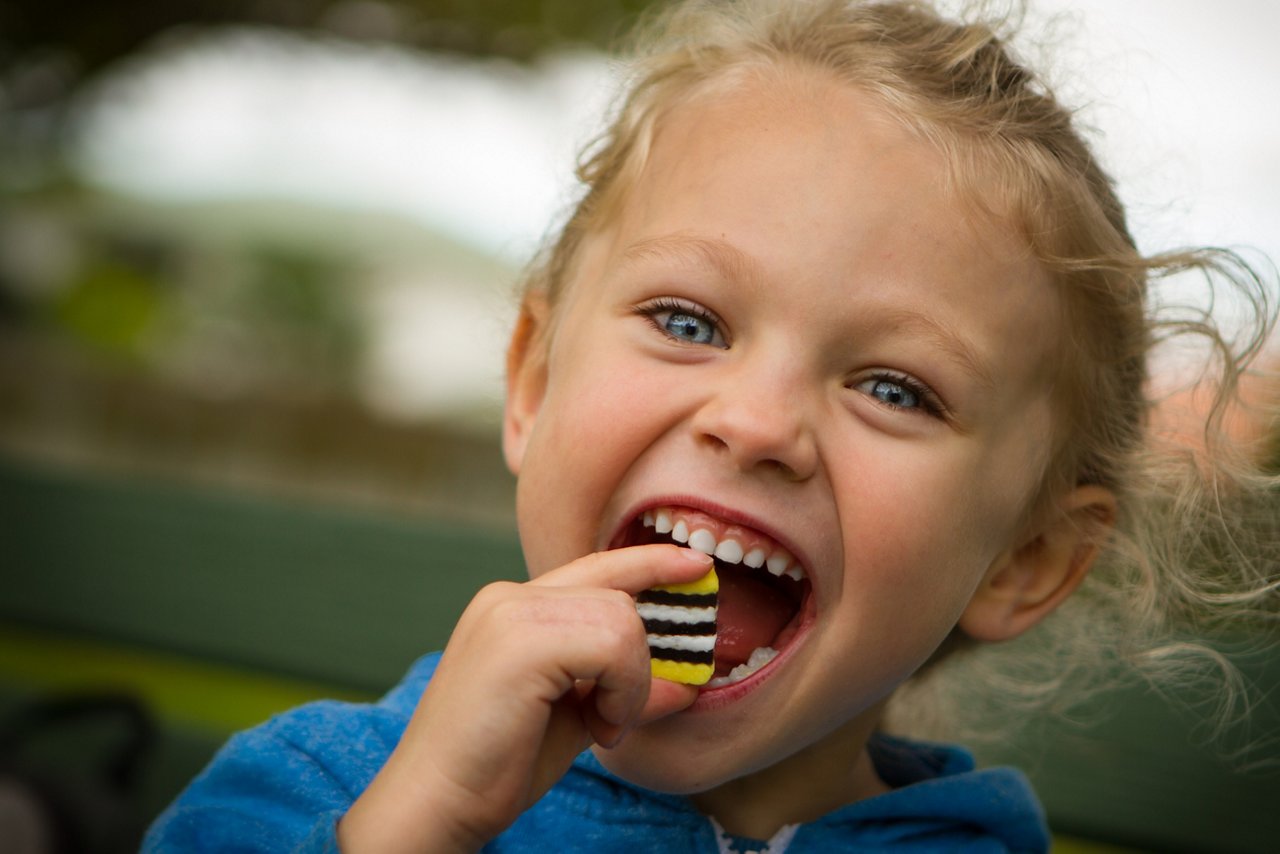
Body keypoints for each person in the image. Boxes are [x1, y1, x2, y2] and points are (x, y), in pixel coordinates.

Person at [144, 0, 1279, 851]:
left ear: (1024, 560)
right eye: (688, 319)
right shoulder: (311, 792)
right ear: (532, 381)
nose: (753, 421)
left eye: (892, 388)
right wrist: (421, 824)